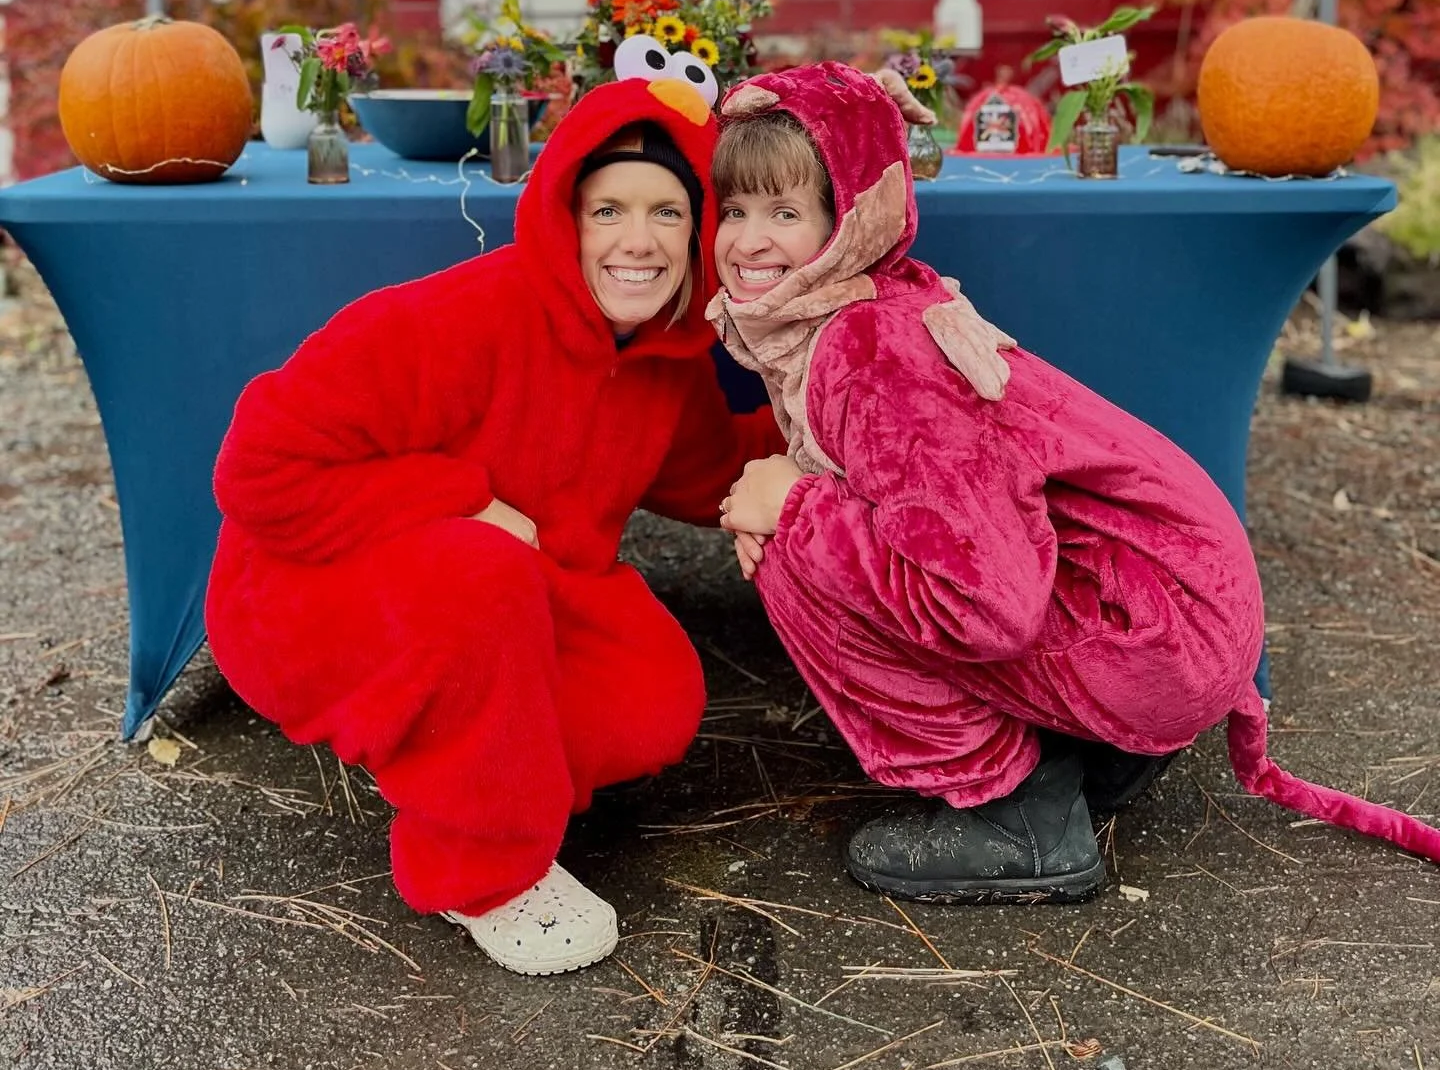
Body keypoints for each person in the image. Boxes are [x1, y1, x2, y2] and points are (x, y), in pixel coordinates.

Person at [712, 62, 1440, 901]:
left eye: (785, 212)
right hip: (1168, 605)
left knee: (792, 553)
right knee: (804, 527)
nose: (748, 240)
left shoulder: (874, 354)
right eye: (734, 210)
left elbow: (982, 604)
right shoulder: (871, 304)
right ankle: (1096, 750)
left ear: (849, 218)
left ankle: (1014, 814)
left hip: (1153, 636)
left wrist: (795, 510)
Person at [205, 71, 787, 978]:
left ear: (699, 229)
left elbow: (708, 471)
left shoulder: (663, 361)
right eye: (607, 211)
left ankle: (465, 768)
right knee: (481, 576)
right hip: (304, 584)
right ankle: (479, 870)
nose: (638, 241)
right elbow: (257, 469)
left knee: (653, 696)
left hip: (509, 584)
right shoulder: (453, 319)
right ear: (566, 218)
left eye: (668, 213)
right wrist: (462, 497)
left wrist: (825, 433)